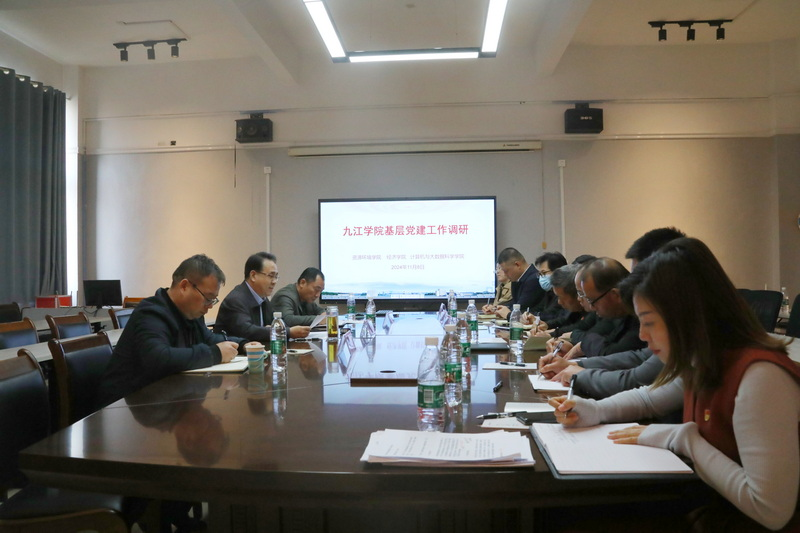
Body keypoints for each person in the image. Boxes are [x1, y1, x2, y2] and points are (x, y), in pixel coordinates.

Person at [550, 237, 800, 531]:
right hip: (712, 507)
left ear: (688, 315)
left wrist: (685, 439)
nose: (642, 336)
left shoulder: (760, 376)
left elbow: (770, 510)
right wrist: (593, 409)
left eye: (649, 322)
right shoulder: (705, 357)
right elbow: (649, 398)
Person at [97, 254, 242, 408]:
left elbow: (209, 339)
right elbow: (158, 358)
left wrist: (244, 345)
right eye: (208, 298)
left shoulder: (191, 313)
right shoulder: (151, 313)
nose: (210, 305)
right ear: (184, 286)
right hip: (123, 406)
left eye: (213, 300)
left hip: (162, 399)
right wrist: (215, 354)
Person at [546, 257, 645, 360]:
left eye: (591, 300)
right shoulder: (621, 314)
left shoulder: (639, 316)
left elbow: (612, 353)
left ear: (615, 295)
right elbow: (607, 343)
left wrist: (582, 345)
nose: (591, 307)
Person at [214, 252, 311, 341]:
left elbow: (276, 323)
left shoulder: (262, 298)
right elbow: (247, 331)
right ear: (253, 275)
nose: (274, 281)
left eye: (276, 276)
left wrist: (276, 329)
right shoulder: (236, 300)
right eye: (271, 276)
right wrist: (287, 332)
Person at [493, 247, 545, 319]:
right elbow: (515, 303)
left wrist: (507, 313)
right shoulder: (517, 279)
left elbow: (520, 308)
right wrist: (497, 308)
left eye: (506, 271)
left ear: (517, 264)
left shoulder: (534, 279)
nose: (505, 274)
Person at [528, 251, 568, 323]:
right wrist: (526, 314)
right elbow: (538, 308)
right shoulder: (549, 291)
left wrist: (534, 315)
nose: (541, 277)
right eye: (540, 274)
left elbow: (550, 314)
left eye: (544, 273)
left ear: (557, 271)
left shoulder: (564, 292)